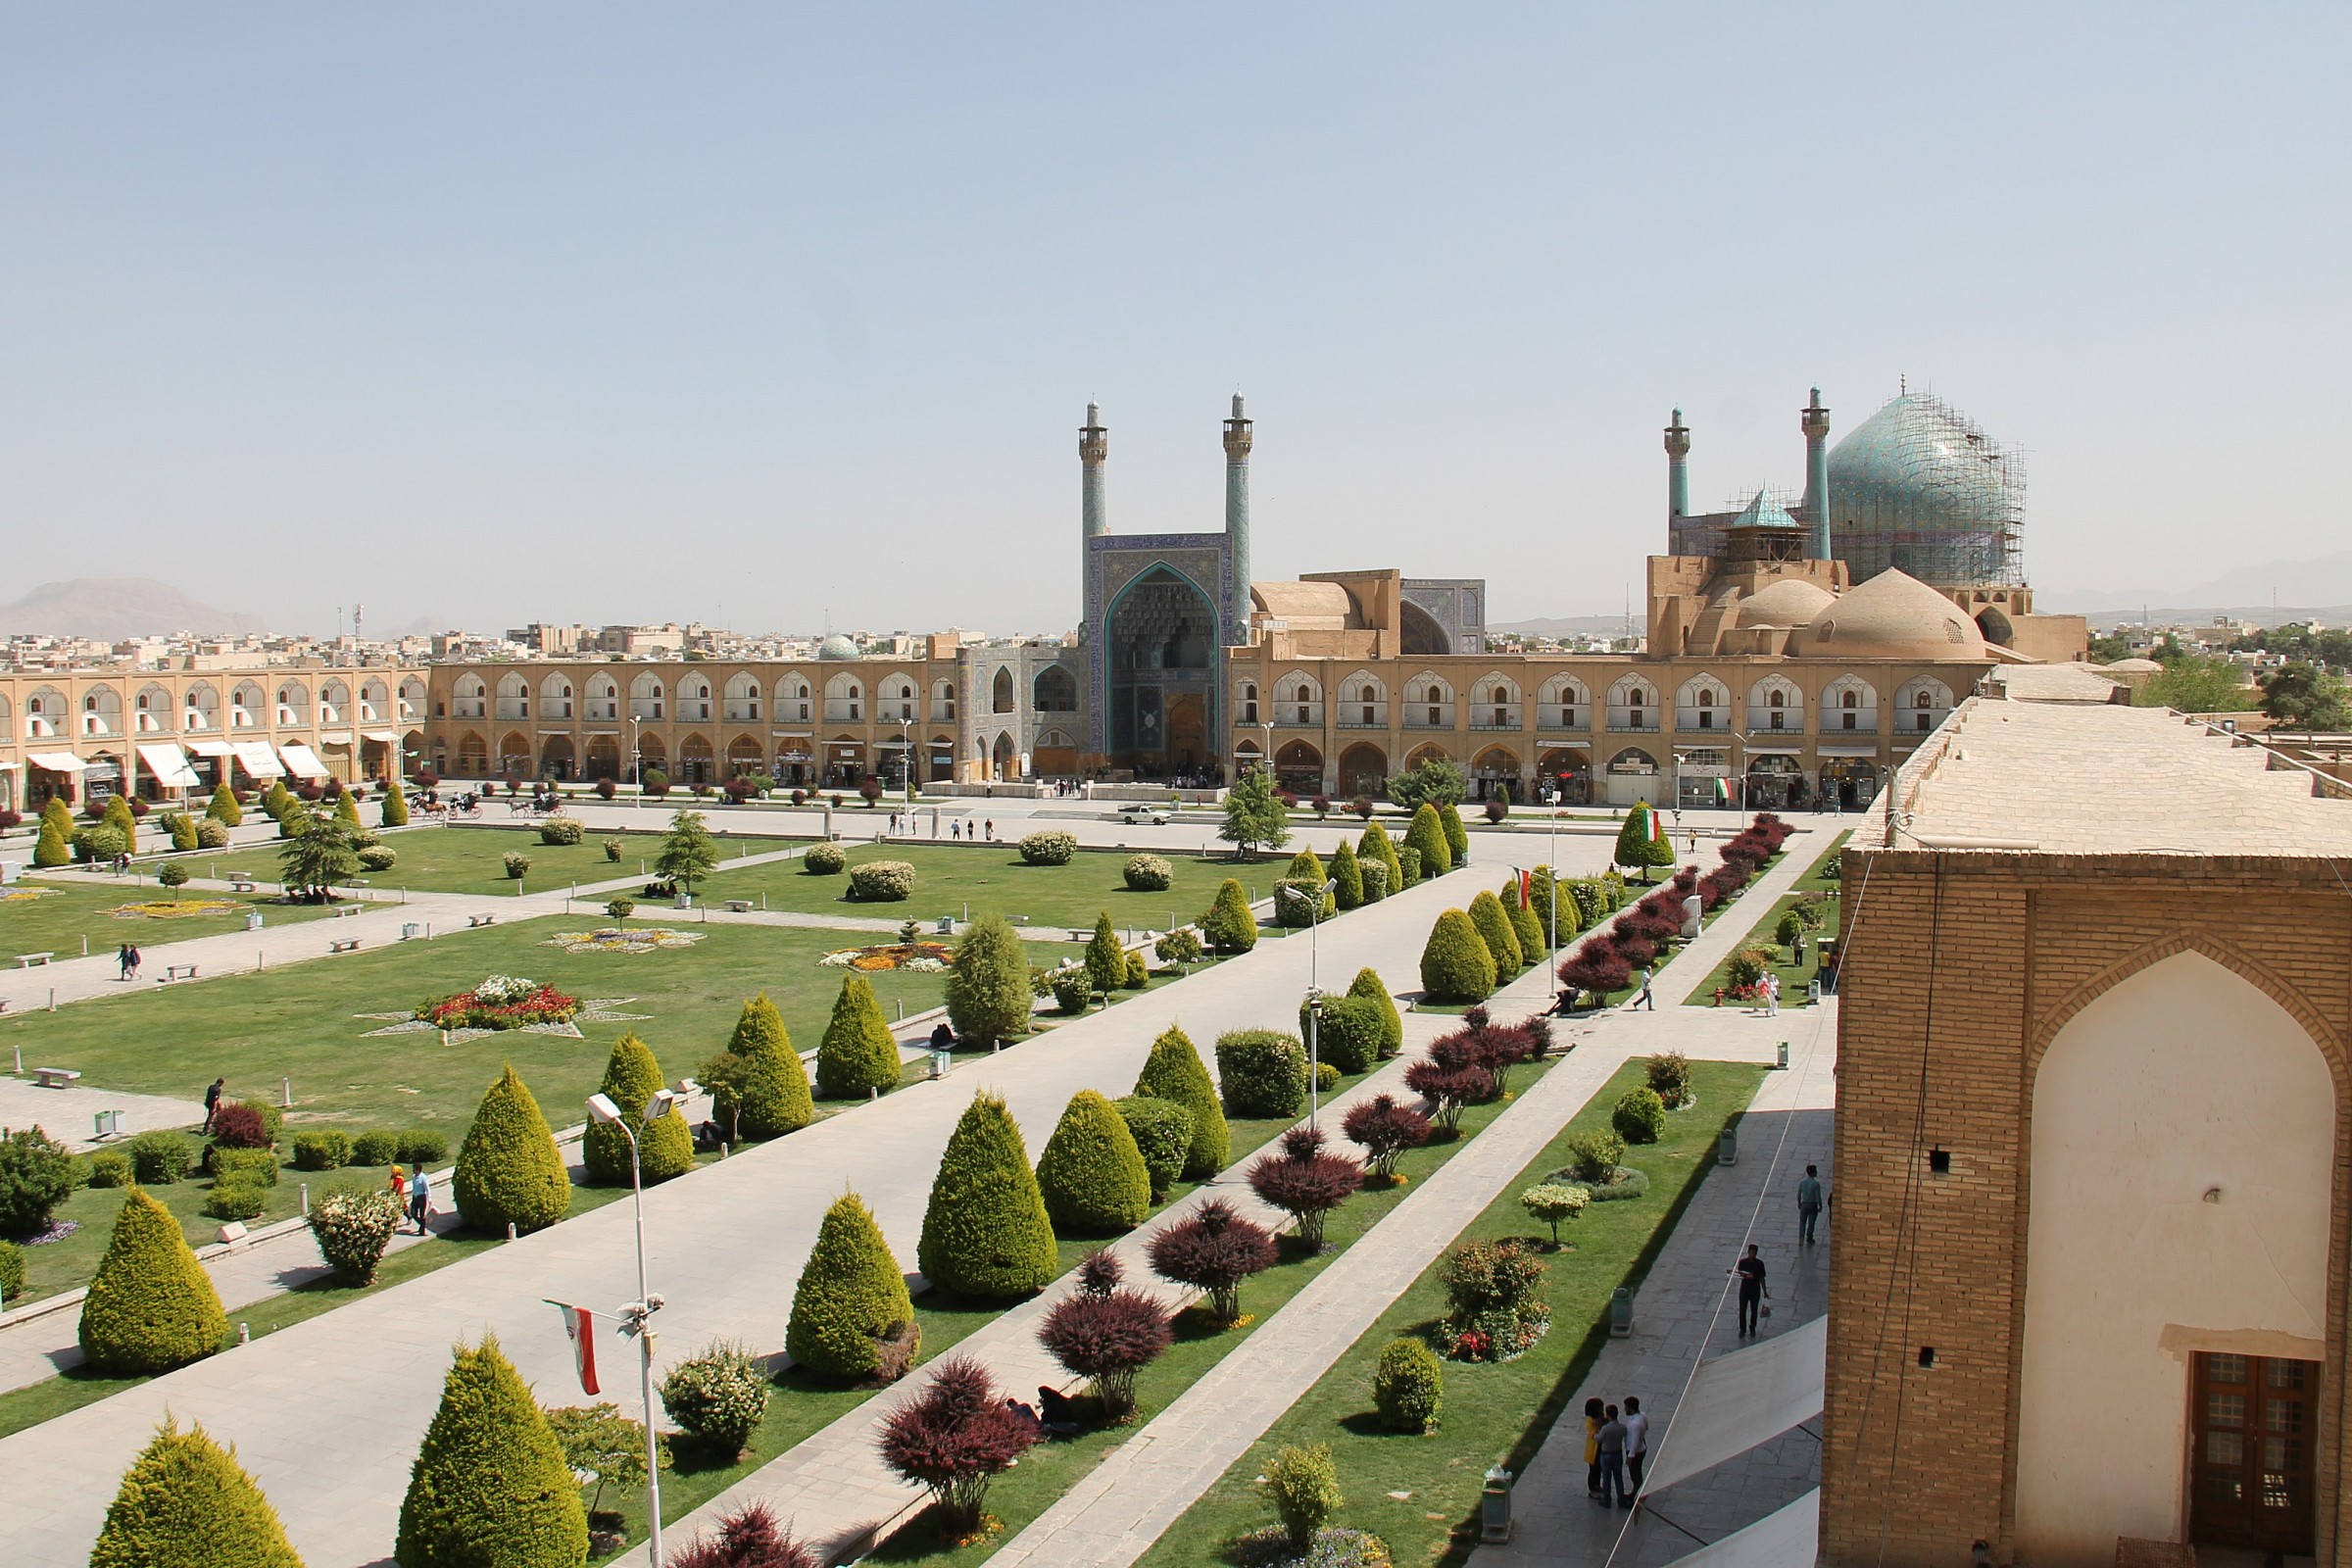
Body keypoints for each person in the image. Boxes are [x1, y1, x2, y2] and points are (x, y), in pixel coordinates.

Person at [1595, 1403, 1630, 1508]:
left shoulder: (1605, 1428)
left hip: (1606, 1454)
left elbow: (1599, 1439)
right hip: (1617, 1453)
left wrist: (1595, 1433)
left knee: (1606, 1478)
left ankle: (1607, 1499)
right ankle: (1621, 1500)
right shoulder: (1623, 1428)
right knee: (1618, 1478)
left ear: (1608, 1415)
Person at [1732, 1244, 1768, 1336]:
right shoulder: (1743, 1262)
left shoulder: (1759, 1264)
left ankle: (1752, 1328)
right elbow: (1740, 1275)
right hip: (1744, 1289)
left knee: (1754, 1310)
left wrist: (1764, 1291)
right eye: (1751, 1253)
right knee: (1742, 1310)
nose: (1752, 1255)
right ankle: (1742, 1329)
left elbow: (1762, 1278)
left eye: (1754, 1253)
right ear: (1748, 1252)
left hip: (1755, 1290)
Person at [1622, 1395, 1648, 1496]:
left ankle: (1637, 1494)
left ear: (1630, 1407)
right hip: (1641, 1447)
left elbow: (1635, 1441)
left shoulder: (1636, 1424)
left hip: (1636, 1452)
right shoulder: (1642, 1415)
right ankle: (1636, 1492)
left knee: (1635, 1474)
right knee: (1637, 1472)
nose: (1625, 1410)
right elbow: (1646, 1427)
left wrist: (1630, 1456)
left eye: (1626, 1407)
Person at [1582, 1396, 1605, 1498]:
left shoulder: (1601, 1417)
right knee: (1593, 1469)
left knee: (1599, 1468)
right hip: (1594, 1448)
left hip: (1601, 1447)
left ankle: (1597, 1485)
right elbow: (1592, 1432)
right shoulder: (1590, 1420)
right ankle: (1592, 1489)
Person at [1797, 1164, 1825, 1245]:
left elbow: (1799, 1194)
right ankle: (1809, 1237)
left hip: (1804, 1204)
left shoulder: (1802, 1183)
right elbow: (1818, 1196)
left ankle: (1801, 1236)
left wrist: (1799, 1203)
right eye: (1815, 1171)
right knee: (1811, 1222)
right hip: (1812, 1205)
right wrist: (1820, 1205)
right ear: (1812, 1173)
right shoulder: (1816, 1184)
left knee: (1802, 1222)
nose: (1816, 1172)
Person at [407, 1161, 432, 1236]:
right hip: (415, 1197)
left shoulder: (423, 1178)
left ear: (418, 1170)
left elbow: (427, 1188)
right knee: (413, 1213)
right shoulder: (413, 1177)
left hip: (421, 1198)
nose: (413, 1170)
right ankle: (422, 1225)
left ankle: (422, 1231)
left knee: (422, 1214)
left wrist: (429, 1198)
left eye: (414, 1169)